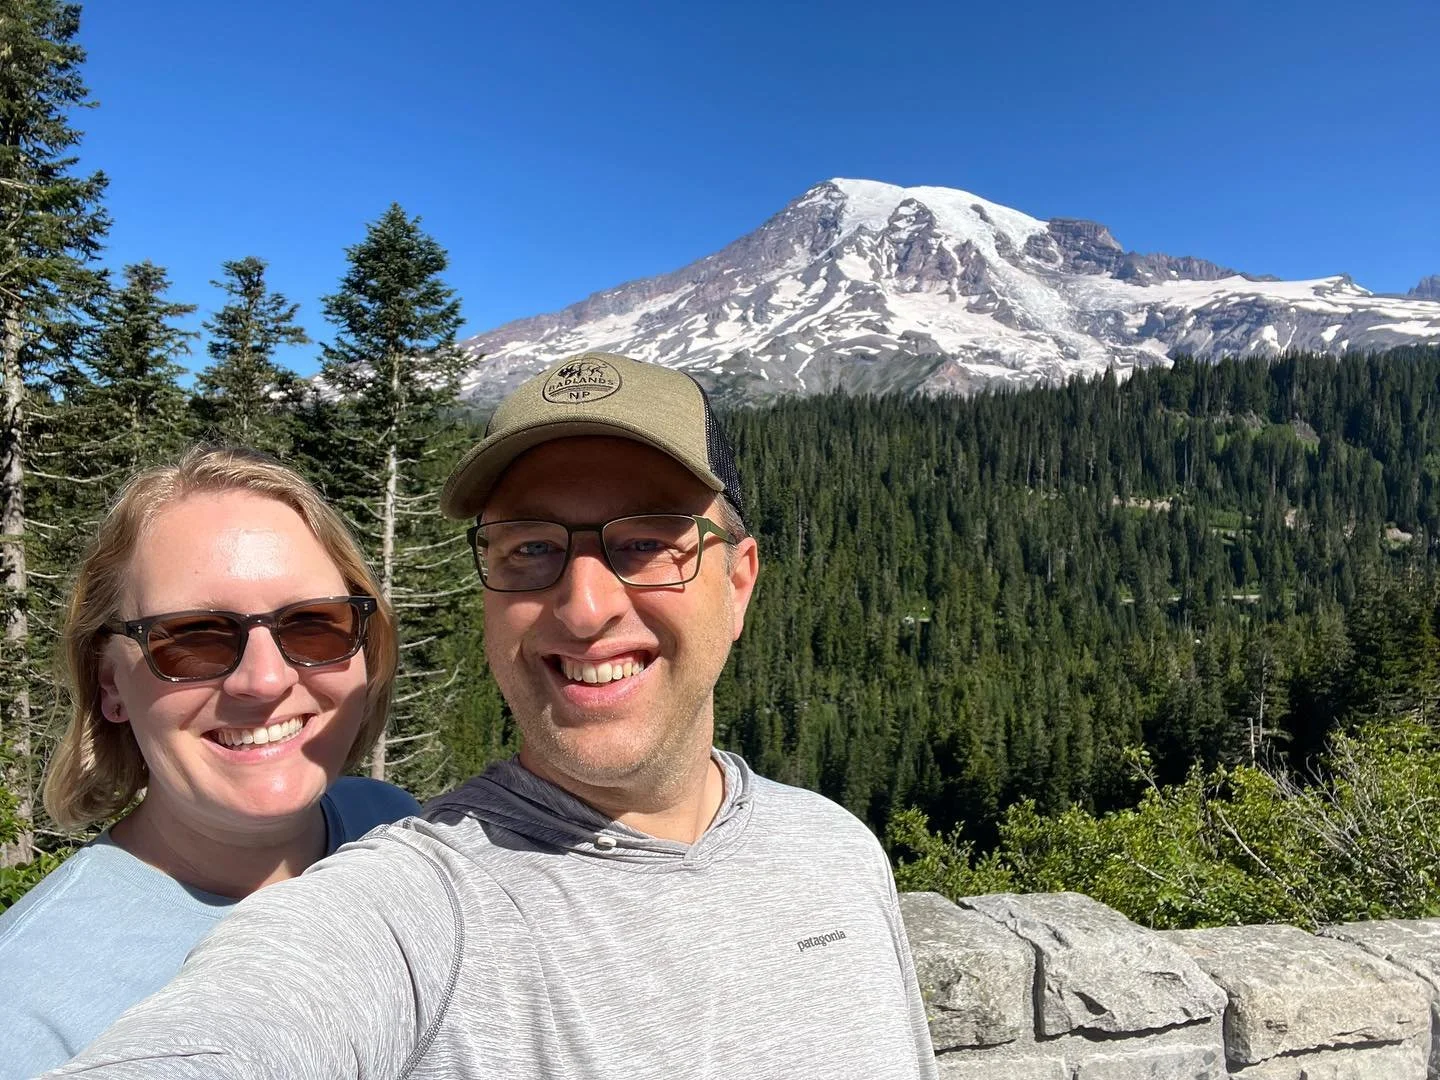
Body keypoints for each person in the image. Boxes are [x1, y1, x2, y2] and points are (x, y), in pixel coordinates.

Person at [44, 354, 937, 1079]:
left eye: (644, 544)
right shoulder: (413, 903)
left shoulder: (835, 849)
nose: (585, 608)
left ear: (738, 582)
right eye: (532, 548)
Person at [0, 446, 420, 1078]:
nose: (264, 679)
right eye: (193, 637)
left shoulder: (389, 827)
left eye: (313, 624)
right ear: (109, 682)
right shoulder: (29, 1005)